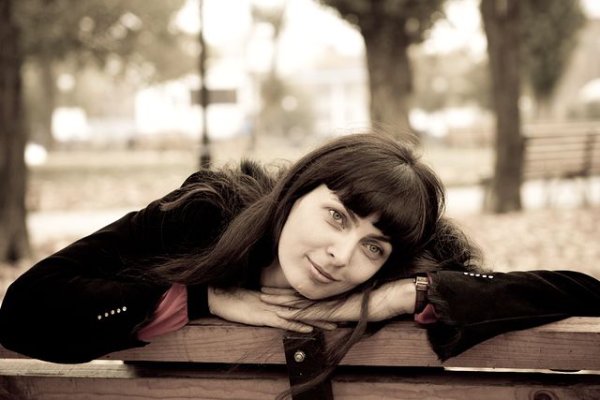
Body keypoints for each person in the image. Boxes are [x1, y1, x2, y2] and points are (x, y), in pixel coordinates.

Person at [0, 133, 599, 378]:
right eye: (336, 216)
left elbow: (581, 288)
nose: (341, 255)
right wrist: (204, 297)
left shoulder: (409, 270)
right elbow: (25, 309)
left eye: (373, 247)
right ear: (294, 192)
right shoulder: (203, 215)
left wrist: (401, 294)